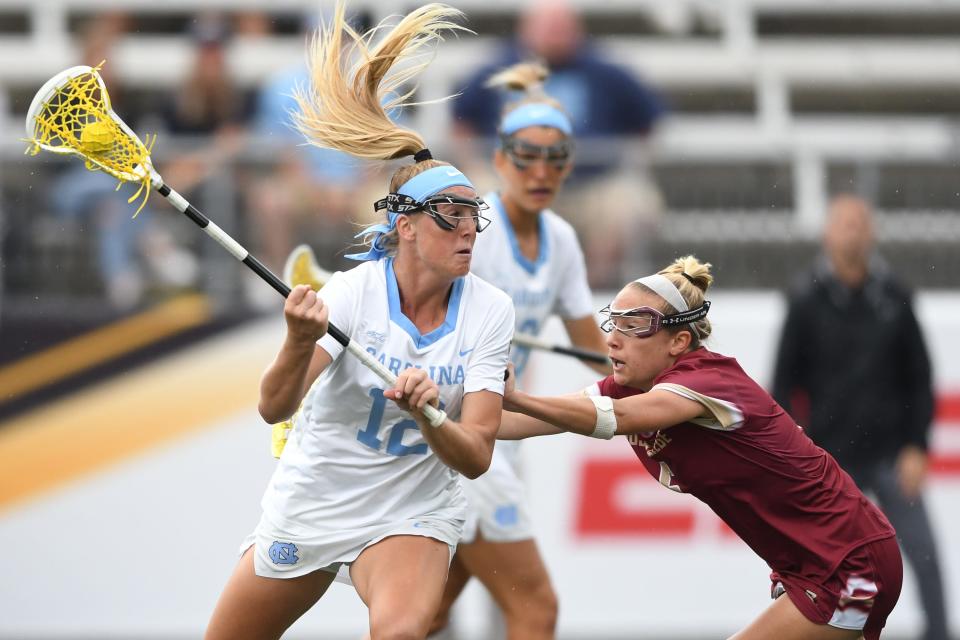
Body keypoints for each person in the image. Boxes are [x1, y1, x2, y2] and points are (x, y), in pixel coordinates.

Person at [204, 6, 515, 639]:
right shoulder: (350, 295)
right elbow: (272, 406)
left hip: (412, 508)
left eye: (472, 215)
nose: (467, 230)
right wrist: (297, 342)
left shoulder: (490, 309)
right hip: (317, 497)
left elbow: (477, 455)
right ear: (406, 226)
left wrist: (432, 415)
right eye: (448, 216)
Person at [498, 255, 904, 640]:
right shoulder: (628, 387)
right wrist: (443, 410)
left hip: (849, 560)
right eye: (614, 322)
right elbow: (523, 423)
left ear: (678, 341)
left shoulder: (708, 382)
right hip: (811, 564)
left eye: (634, 325)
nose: (614, 340)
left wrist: (517, 397)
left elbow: (613, 419)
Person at [429, 61, 608, 640]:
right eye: (525, 155)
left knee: (426, 612)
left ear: (569, 165)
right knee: (534, 608)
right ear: (500, 158)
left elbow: (596, 354)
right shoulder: (471, 229)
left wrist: (665, 369)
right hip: (460, 438)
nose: (540, 171)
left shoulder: (560, 240)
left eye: (555, 159)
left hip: (500, 441)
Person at [772, 195, 948, 640]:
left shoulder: (894, 295)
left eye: (860, 223)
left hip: (891, 453)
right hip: (830, 458)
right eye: (844, 223)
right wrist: (798, 456)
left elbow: (920, 378)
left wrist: (917, 447)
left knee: (924, 555)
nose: (853, 232)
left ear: (872, 233)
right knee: (811, 563)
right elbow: (783, 384)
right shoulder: (806, 298)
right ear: (827, 234)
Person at [451, 0, 667, 287]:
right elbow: (461, 121)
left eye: (561, 27)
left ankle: (589, 287)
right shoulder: (496, 69)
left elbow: (647, 121)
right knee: (475, 198)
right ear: (524, 30)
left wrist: (621, 160)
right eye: (547, 27)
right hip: (512, 183)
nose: (554, 35)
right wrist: (473, 161)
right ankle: (498, 284)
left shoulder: (606, 72)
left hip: (591, 184)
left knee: (631, 204)